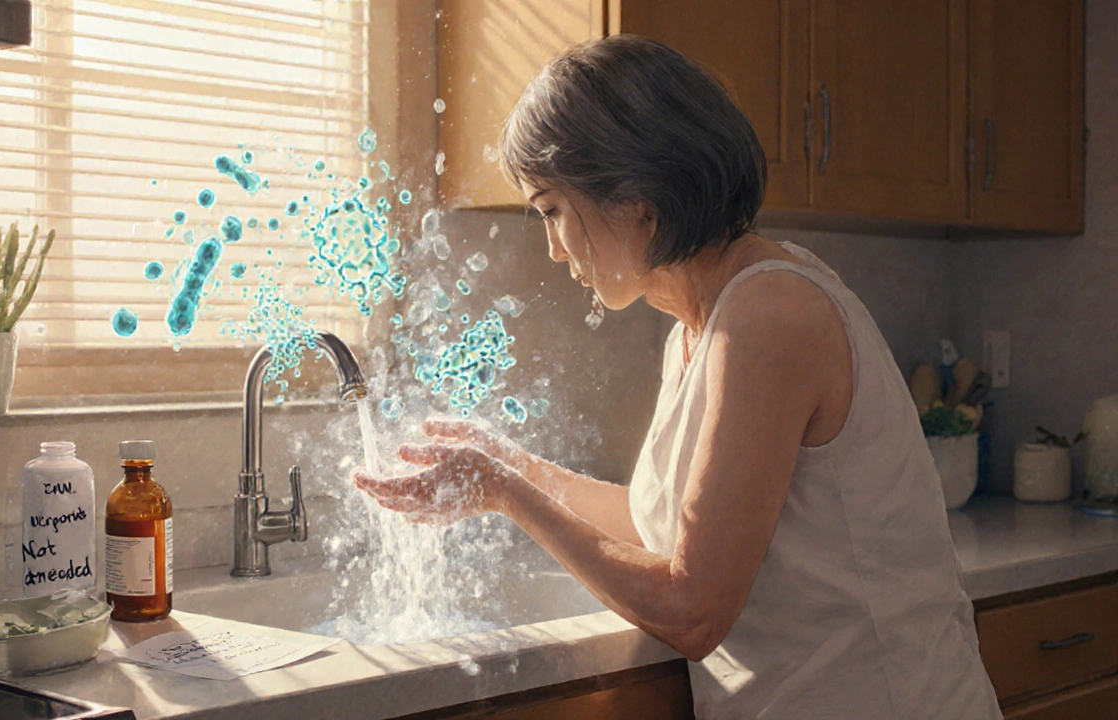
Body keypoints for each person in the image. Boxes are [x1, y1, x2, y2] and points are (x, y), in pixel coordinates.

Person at [354, 35, 1001, 719]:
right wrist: (510, 468)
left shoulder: (771, 314)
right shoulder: (701, 327)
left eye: (551, 210)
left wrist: (507, 492)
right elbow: (652, 526)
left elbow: (692, 609)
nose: (552, 250)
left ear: (636, 197)